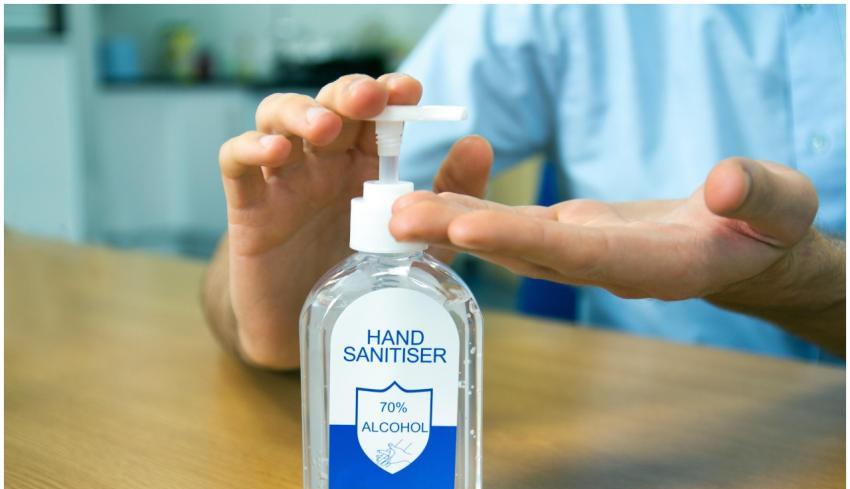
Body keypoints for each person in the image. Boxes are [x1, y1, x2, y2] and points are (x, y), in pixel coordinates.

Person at [202, 5, 845, 370]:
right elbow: (338, 182)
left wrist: (812, 284)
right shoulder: (550, 13)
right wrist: (280, 314)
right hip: (660, 463)